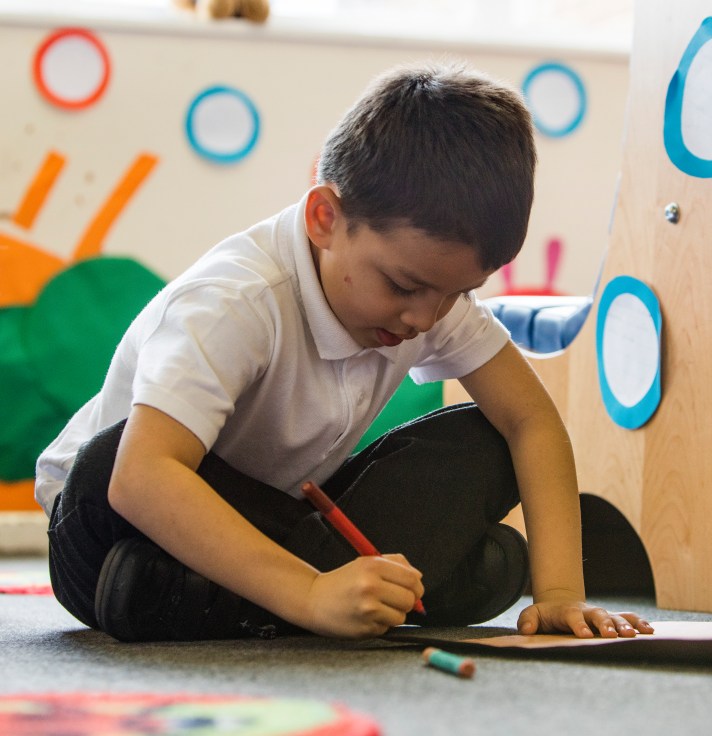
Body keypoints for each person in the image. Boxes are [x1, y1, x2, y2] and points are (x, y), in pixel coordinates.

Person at [36, 61, 653, 643]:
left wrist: (560, 591)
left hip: (280, 517)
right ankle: (343, 596)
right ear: (324, 217)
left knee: (488, 445)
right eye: (404, 287)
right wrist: (309, 593)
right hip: (110, 522)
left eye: (458, 293)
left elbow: (531, 421)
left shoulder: (429, 294)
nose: (425, 318)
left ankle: (210, 600)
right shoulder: (236, 300)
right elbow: (139, 478)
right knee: (109, 462)